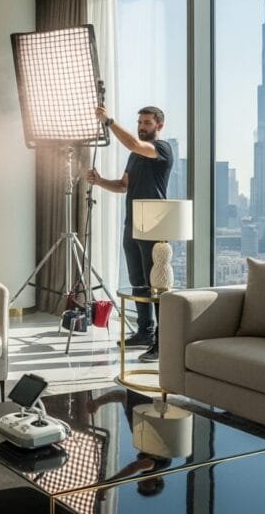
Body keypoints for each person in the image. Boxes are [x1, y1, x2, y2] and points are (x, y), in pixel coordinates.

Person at [86, 106, 173, 363]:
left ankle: (162, 341)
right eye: (140, 122)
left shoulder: (162, 149)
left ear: (159, 126)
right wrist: (100, 181)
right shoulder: (135, 156)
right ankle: (145, 332)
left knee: (156, 284)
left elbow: (134, 143)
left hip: (155, 224)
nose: (141, 126)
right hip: (132, 222)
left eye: (146, 123)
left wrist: (109, 121)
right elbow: (124, 186)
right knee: (138, 281)